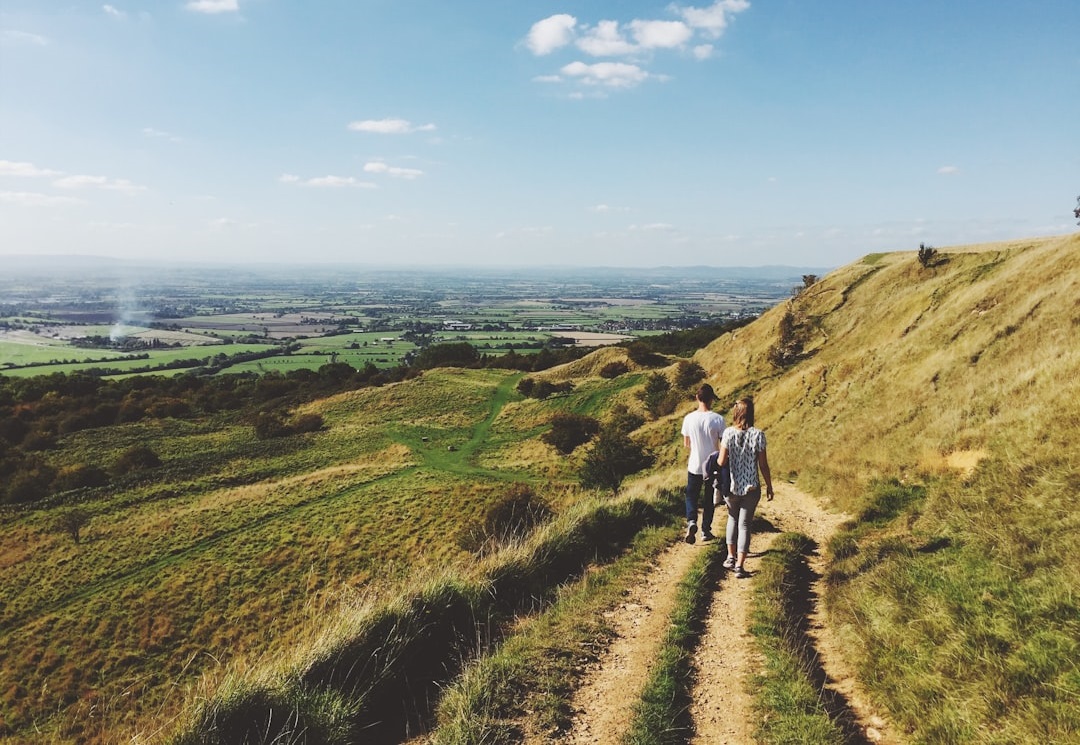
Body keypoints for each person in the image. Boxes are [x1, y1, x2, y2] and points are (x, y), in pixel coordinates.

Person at [718, 397, 774, 577]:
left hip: (732, 486)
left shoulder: (728, 433)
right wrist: (769, 486)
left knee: (732, 519)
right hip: (751, 487)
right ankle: (740, 566)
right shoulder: (759, 435)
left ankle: (730, 557)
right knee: (745, 525)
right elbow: (763, 465)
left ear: (736, 412)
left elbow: (721, 461)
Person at [680, 383, 726, 544]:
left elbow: (687, 443)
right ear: (712, 399)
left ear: (697, 398)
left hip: (695, 463)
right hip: (712, 465)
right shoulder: (718, 419)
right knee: (708, 499)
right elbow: (723, 445)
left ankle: (692, 521)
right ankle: (706, 530)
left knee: (691, 495)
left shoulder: (688, 418)